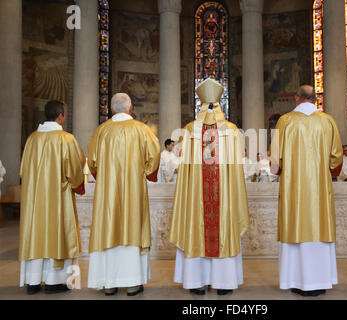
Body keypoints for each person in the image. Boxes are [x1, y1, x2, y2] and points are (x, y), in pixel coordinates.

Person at [169, 78, 250, 296]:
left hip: (197, 198)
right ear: (219, 104)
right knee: (223, 225)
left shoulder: (188, 130)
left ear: (201, 104)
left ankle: (197, 282)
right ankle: (223, 283)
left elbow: (184, 167)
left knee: (196, 227)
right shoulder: (231, 130)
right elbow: (236, 168)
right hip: (223, 196)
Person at [272, 85, 343, 297]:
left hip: (294, 188)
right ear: (315, 99)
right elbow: (337, 157)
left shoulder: (286, 121)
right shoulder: (327, 121)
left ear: (296, 98)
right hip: (319, 188)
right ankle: (320, 281)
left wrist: (280, 170)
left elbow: (276, 158)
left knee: (296, 228)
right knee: (319, 229)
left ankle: (296, 279)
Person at [87, 93, 160, 296]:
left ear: (111, 110)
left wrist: (103, 176)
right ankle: (133, 283)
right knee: (132, 227)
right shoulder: (141, 129)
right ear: (130, 109)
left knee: (109, 228)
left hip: (107, 193)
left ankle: (109, 283)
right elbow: (154, 157)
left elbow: (92, 163)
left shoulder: (101, 131)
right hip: (133, 192)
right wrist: (145, 172)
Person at [19, 100, 85, 295]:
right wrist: (78, 185)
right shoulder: (66, 139)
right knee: (57, 234)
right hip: (58, 199)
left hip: (34, 201)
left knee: (36, 235)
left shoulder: (32, 139)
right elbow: (75, 169)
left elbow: (23, 170)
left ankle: (33, 281)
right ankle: (54, 282)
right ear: (61, 115)